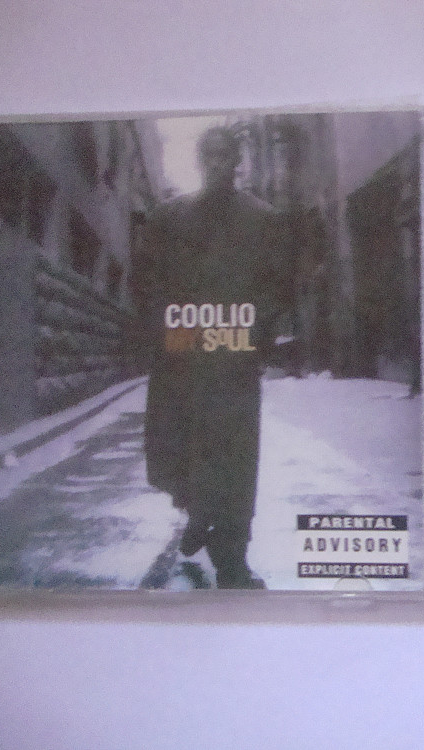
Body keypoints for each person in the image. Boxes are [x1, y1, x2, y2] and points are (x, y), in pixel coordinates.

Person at [132, 126, 293, 588]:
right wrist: (167, 334)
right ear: (201, 161)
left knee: (237, 456)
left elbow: (278, 285)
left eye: (226, 156)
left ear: (238, 161)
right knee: (183, 448)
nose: (219, 164)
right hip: (183, 357)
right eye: (211, 156)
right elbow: (146, 280)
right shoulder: (168, 217)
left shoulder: (263, 219)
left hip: (233, 358)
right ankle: (199, 513)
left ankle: (232, 558)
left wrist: (254, 336)